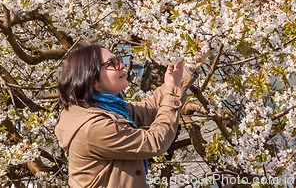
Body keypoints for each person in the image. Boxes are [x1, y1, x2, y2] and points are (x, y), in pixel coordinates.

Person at [55, 43, 206, 187]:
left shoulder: (104, 108)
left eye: (118, 60)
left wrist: (188, 69)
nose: (121, 65)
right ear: (92, 79)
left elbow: (149, 108)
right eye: (112, 63)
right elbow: (154, 142)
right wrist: (172, 90)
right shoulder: (93, 127)